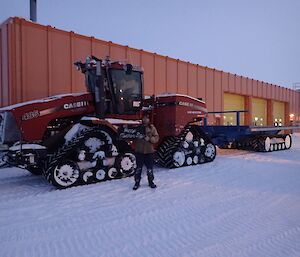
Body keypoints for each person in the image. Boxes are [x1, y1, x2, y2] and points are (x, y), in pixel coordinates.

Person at [133, 113, 159, 190]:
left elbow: (156, 138)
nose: (145, 120)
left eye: (146, 118)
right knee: (138, 169)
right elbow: (131, 135)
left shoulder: (152, 128)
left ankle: (151, 182)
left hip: (149, 152)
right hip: (139, 151)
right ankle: (137, 183)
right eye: (144, 118)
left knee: (150, 169)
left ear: (149, 119)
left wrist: (150, 139)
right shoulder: (138, 127)